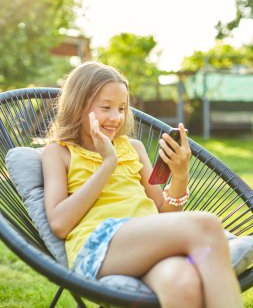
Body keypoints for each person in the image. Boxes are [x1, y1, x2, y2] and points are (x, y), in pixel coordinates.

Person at [42, 61, 242, 308]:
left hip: (145, 240)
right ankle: (223, 246)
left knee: (182, 282)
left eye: (122, 108)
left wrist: (180, 176)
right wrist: (108, 163)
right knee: (207, 224)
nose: (116, 118)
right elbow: (60, 223)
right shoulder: (59, 152)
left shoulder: (133, 149)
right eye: (106, 107)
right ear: (78, 105)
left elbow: (163, 213)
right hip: (100, 246)